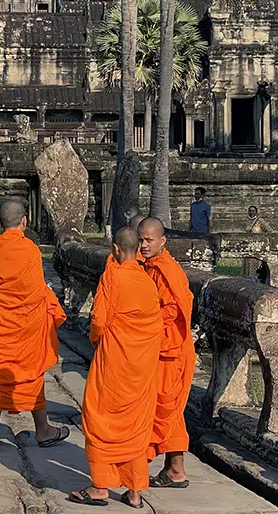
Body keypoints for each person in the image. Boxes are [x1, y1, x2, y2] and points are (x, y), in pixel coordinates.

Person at [71, 227, 163, 508]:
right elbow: (157, 325)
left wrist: (99, 341)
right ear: (137, 249)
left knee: (100, 418)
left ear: (114, 249)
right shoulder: (148, 282)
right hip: (142, 367)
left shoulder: (112, 276)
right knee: (135, 426)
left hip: (114, 364)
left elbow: (98, 320)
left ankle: (100, 486)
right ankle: (134, 492)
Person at [0, 200, 69, 453]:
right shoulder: (30, 249)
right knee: (32, 370)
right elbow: (36, 288)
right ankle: (42, 430)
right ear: (25, 221)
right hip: (26, 325)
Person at [138, 217, 196, 490]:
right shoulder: (149, 268)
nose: (144, 245)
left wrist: (139, 324)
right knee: (168, 410)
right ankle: (175, 470)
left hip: (171, 350)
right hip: (160, 348)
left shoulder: (169, 272)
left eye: (149, 240)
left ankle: (143, 466)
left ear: (163, 241)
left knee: (163, 408)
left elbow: (172, 312)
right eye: (141, 240)